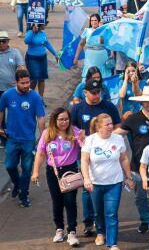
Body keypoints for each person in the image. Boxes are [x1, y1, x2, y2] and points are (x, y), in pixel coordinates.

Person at [113, 86, 149, 240]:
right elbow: (118, 134)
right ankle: (145, 220)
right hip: (137, 168)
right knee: (140, 199)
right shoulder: (133, 119)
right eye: (146, 101)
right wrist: (98, 137)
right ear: (142, 101)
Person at [70, 78, 121, 235]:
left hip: (107, 153)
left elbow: (118, 127)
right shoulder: (77, 108)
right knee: (88, 189)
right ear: (85, 92)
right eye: (93, 93)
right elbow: (71, 128)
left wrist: (108, 137)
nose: (96, 95)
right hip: (85, 153)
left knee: (106, 188)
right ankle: (88, 222)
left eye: (98, 92)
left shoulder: (109, 106)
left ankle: (103, 223)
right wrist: (79, 137)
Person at [31, 107, 84, 246]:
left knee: (70, 201)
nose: (64, 122)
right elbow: (40, 153)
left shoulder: (74, 131)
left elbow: (85, 148)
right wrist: (35, 171)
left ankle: (72, 231)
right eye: (61, 119)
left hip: (70, 171)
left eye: (66, 119)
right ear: (54, 120)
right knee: (57, 201)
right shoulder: (47, 133)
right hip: (52, 172)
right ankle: (59, 229)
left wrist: (83, 139)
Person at [82, 113, 134, 250]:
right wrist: (86, 179)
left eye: (111, 123)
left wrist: (128, 177)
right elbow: (84, 160)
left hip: (114, 183)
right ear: (98, 127)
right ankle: (100, 232)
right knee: (98, 212)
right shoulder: (90, 140)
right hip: (96, 183)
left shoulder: (118, 139)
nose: (111, 126)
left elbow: (123, 159)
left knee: (111, 213)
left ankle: (112, 243)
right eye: (107, 124)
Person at [0, 69, 45, 207]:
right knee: (9, 165)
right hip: (12, 138)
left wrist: (43, 137)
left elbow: (41, 118)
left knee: (27, 169)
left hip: (28, 140)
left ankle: (23, 195)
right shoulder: (7, 95)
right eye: (22, 83)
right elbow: (1, 111)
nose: (26, 85)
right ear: (16, 82)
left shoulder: (35, 97)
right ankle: (17, 184)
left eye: (27, 82)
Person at [24, 24, 58, 102]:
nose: (45, 25)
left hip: (42, 58)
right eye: (43, 24)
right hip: (32, 58)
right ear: (39, 25)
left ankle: (40, 98)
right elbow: (26, 41)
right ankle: (28, 98)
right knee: (34, 79)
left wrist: (55, 54)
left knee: (42, 79)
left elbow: (47, 43)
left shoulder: (43, 33)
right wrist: (33, 32)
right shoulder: (30, 32)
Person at [74, 13, 111, 79]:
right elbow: (81, 44)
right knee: (90, 74)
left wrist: (101, 29)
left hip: (101, 54)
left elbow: (101, 42)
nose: (93, 22)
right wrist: (76, 57)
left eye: (95, 20)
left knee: (102, 75)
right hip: (90, 55)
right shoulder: (87, 31)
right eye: (92, 20)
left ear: (99, 21)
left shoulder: (104, 30)